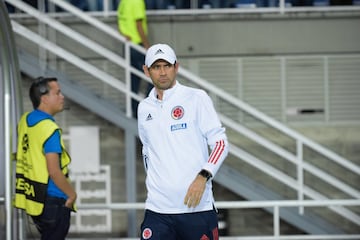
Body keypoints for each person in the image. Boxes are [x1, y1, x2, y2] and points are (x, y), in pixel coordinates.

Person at [138, 43, 229, 240]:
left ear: (176, 67)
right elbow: (147, 151)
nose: (162, 72)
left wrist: (203, 176)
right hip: (157, 210)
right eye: (156, 67)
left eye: (167, 66)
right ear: (146, 71)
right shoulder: (144, 108)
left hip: (196, 209)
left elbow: (220, 143)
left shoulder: (196, 98)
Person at [14, 77, 77, 240]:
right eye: (57, 93)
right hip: (54, 200)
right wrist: (72, 195)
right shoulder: (49, 129)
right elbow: (54, 171)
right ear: (44, 98)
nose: (62, 96)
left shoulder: (25, 121)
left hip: (34, 197)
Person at [117, 0, 152, 118]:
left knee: (134, 80)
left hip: (128, 44)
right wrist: (147, 46)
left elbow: (121, 21)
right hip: (137, 44)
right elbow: (139, 25)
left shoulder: (124, 2)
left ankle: (134, 110)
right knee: (153, 76)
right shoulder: (137, 2)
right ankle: (148, 106)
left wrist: (124, 34)